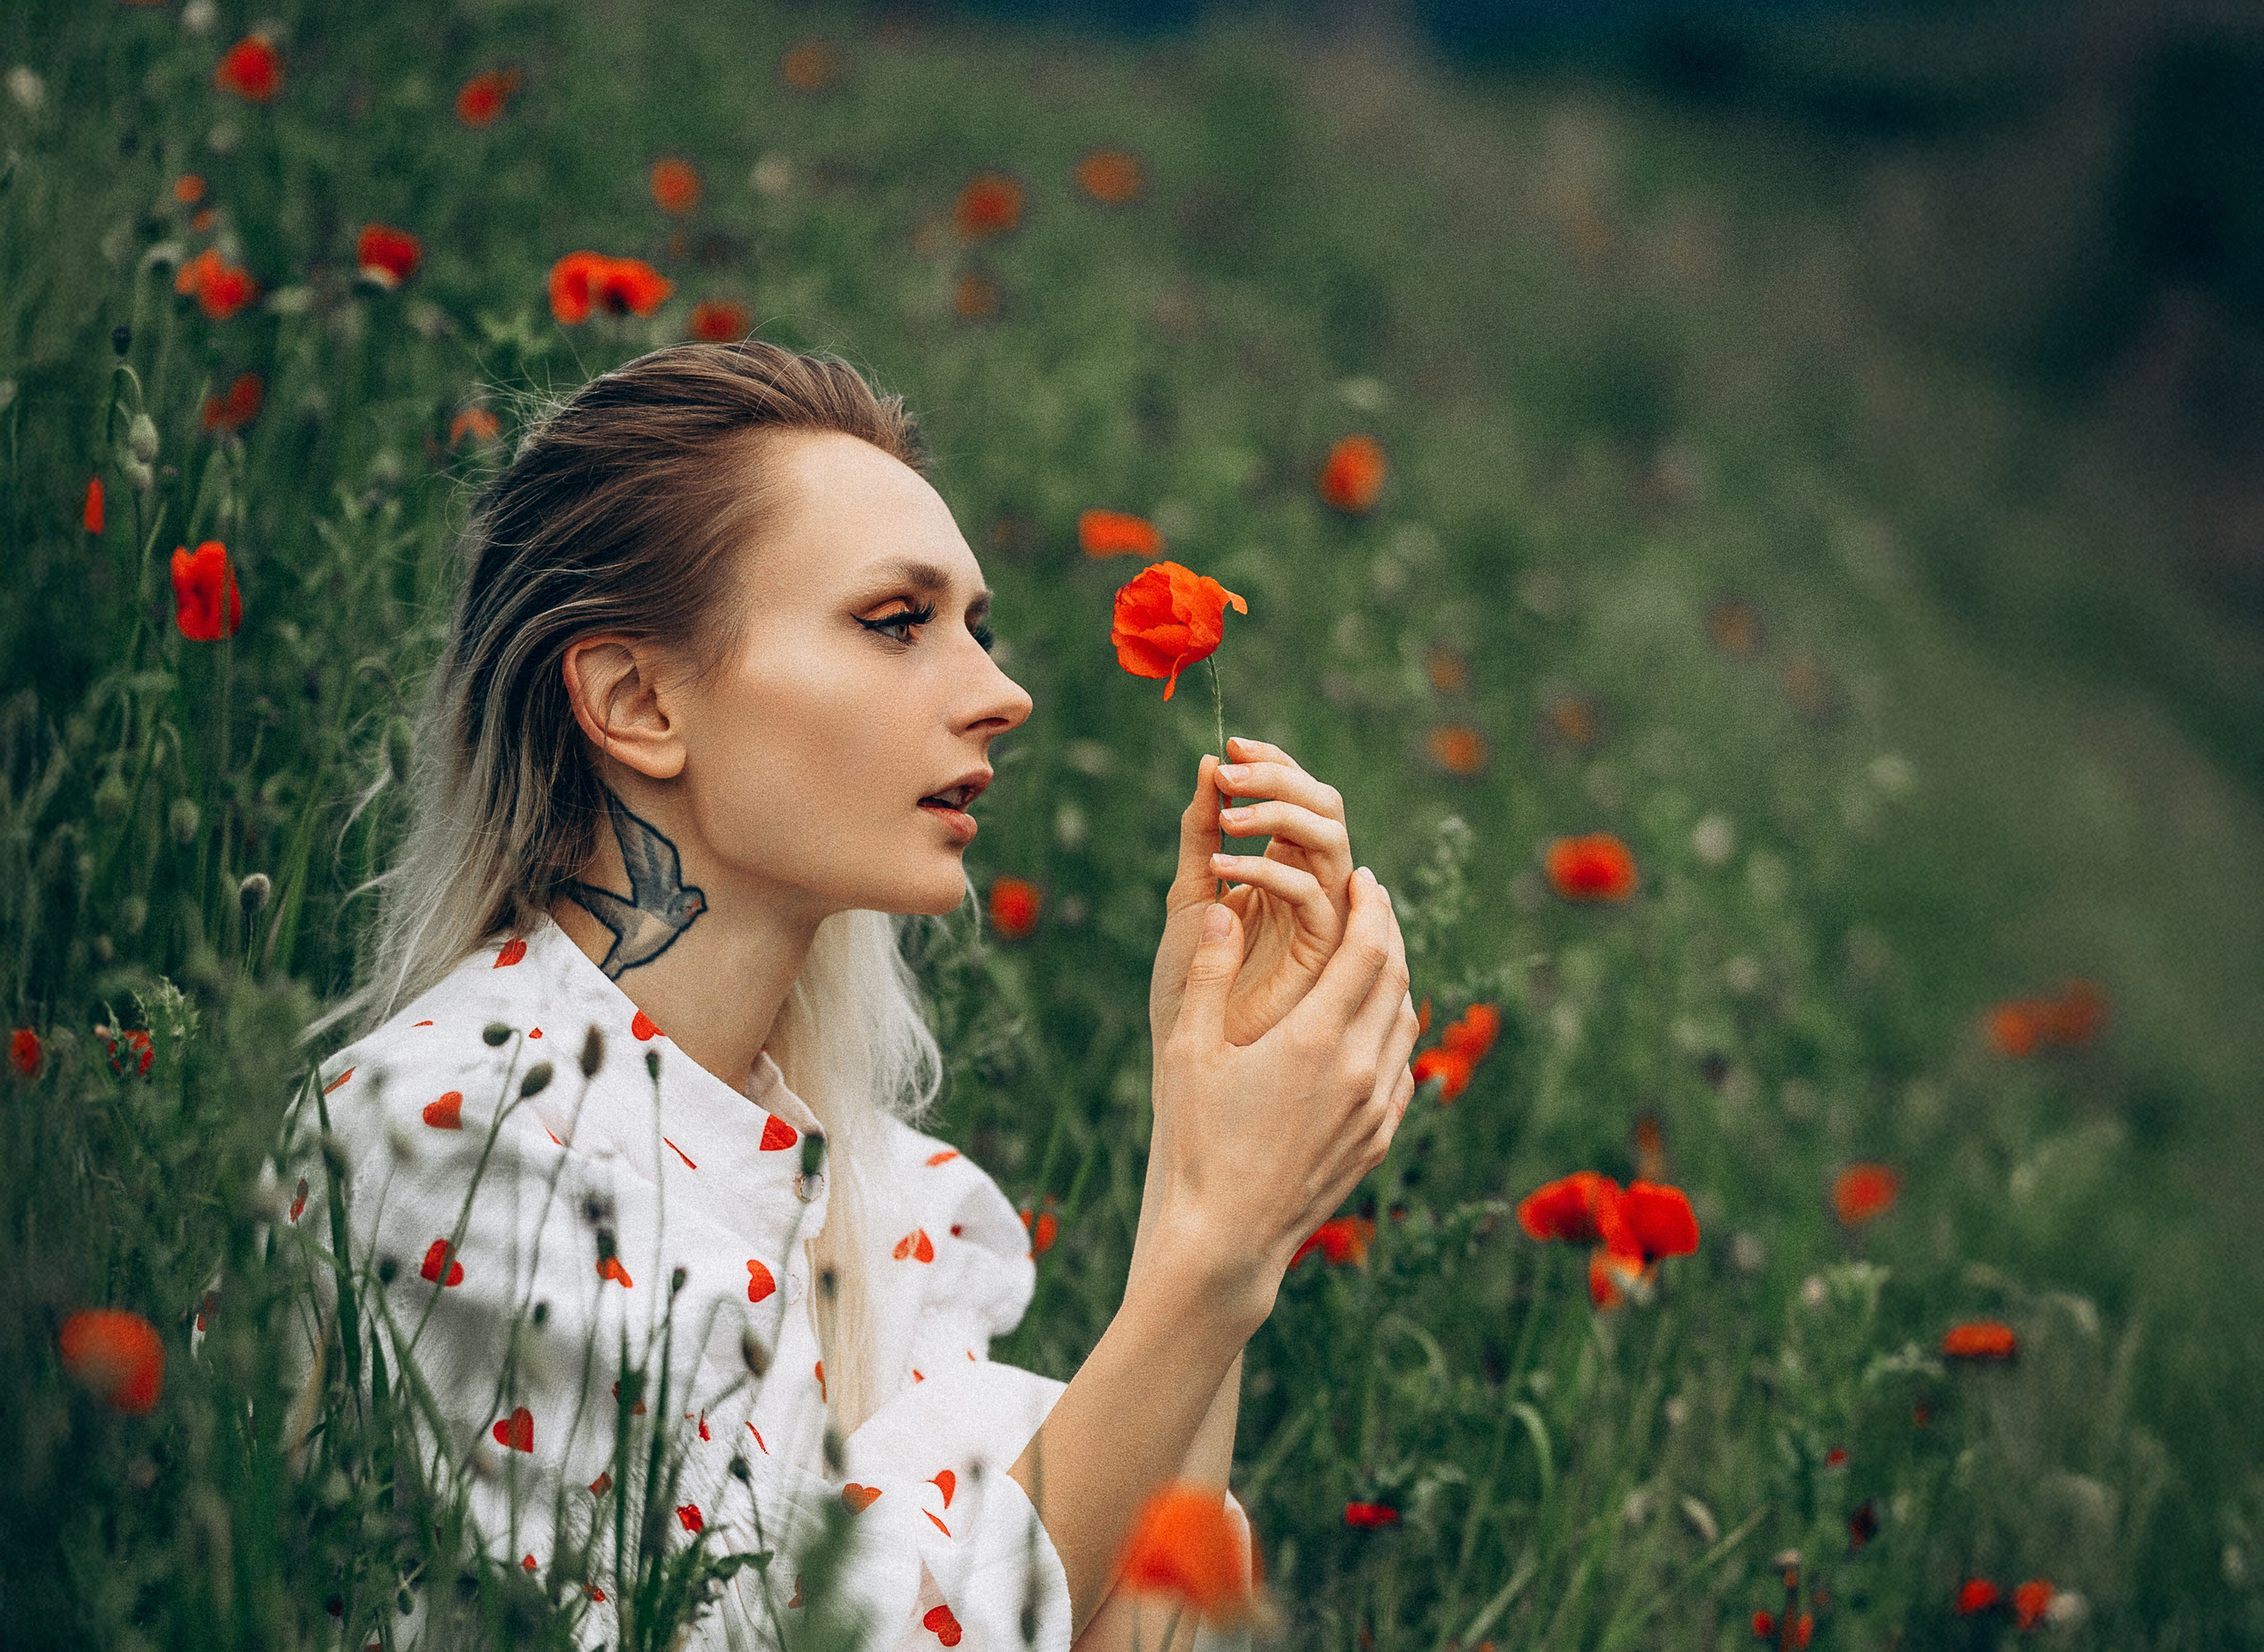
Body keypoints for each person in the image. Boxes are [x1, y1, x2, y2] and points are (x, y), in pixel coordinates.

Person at [279, 341, 1419, 1651]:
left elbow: (1145, 1611)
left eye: (977, 629)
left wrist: (1205, 1157)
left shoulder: (880, 1206)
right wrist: (1209, 1258)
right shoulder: (458, 1140)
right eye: (896, 622)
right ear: (637, 701)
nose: (1002, 695)